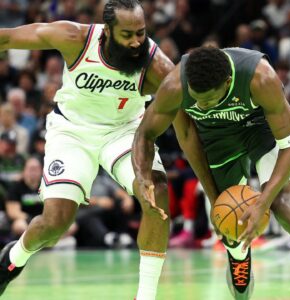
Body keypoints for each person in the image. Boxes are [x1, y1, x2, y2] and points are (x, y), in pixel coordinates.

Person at [0, 0, 174, 299]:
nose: (136, 42)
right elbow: (9, 37)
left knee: (156, 193)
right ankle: (13, 258)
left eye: (141, 33)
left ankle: (146, 295)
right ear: (107, 31)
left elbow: (183, 106)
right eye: (127, 34)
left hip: (125, 132)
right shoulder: (75, 38)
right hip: (72, 131)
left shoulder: (155, 63)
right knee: (55, 223)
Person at [132, 46, 290, 299]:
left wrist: (262, 202)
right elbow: (153, 134)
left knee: (285, 203)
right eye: (196, 98)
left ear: (228, 82)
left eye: (208, 100)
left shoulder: (260, 77)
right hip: (217, 138)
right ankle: (238, 256)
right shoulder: (175, 86)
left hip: (261, 129)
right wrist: (212, 197)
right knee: (226, 219)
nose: (200, 105)